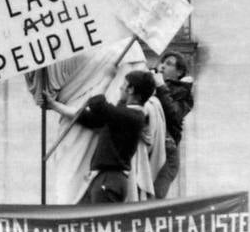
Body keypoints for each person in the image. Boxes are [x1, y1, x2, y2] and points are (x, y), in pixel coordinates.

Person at [45, 70, 153, 205]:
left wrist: (104, 79)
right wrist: (54, 105)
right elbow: (86, 117)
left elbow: (98, 104)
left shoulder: (131, 116)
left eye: (123, 84)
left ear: (131, 89)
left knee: (101, 224)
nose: (120, 87)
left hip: (108, 180)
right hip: (106, 179)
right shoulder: (124, 115)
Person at [152, 51, 194, 198]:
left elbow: (174, 115)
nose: (162, 66)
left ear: (179, 72)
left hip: (166, 153)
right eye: (162, 62)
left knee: (154, 199)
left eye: (169, 64)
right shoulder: (154, 86)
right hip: (153, 147)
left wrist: (161, 88)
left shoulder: (184, 93)